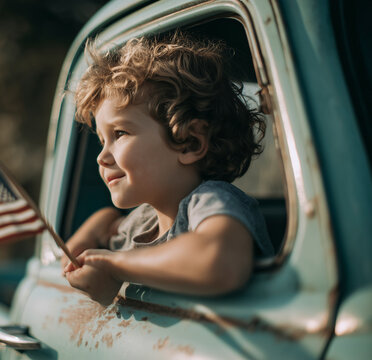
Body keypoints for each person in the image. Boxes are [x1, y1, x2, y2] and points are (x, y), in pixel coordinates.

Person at [62, 32, 275, 306]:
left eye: (121, 133)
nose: (101, 157)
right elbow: (107, 226)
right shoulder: (145, 220)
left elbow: (220, 261)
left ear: (189, 143)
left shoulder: (211, 200)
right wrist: (88, 241)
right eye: (103, 141)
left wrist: (115, 265)